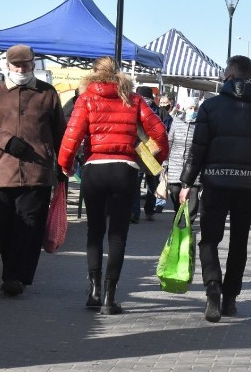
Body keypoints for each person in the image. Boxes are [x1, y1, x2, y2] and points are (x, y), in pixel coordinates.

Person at [178, 55, 251, 323]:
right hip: (247, 185)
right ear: (250, 77)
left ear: (229, 76)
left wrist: (186, 183)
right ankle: (230, 299)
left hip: (215, 184)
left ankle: (212, 287)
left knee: (209, 239)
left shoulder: (210, 106)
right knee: (239, 242)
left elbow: (197, 150)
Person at [58, 56, 168, 314]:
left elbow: (72, 135)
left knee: (94, 231)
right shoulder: (134, 99)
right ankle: (110, 296)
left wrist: (65, 164)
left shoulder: (86, 99)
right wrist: (155, 160)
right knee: (118, 235)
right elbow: (159, 133)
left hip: (94, 169)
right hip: (124, 170)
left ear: (93, 75)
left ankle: (94, 291)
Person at [0, 44, 66, 297]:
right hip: (5, 170)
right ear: (8, 67)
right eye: (17, 65)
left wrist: (63, 163)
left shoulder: (47, 93)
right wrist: (5, 139)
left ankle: (16, 276)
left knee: (31, 224)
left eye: (26, 64)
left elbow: (60, 131)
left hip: (38, 171)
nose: (22, 69)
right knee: (8, 225)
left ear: (33, 64)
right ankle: (11, 271)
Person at [133, 86, 168, 222]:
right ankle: (149, 211)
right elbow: (166, 130)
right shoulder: (161, 112)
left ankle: (136, 213)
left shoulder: (135, 108)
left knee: (138, 183)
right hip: (154, 152)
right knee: (151, 183)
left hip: (139, 150)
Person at [166, 97, 198, 216]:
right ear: (185, 109)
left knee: (193, 197)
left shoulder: (200, 124)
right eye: (191, 108)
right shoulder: (176, 122)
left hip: (194, 167)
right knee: (175, 192)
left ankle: (188, 224)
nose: (193, 110)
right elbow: (169, 142)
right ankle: (178, 214)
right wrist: (165, 163)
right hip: (176, 165)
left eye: (195, 108)